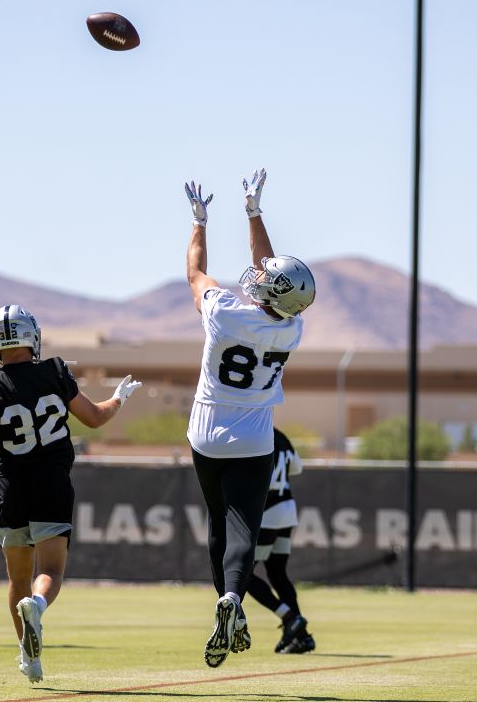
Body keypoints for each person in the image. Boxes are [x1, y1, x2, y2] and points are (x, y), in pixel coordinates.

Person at [0, 304, 142, 683]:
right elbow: (93, 417)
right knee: (51, 571)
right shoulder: (55, 371)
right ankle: (38, 608)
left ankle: (29, 657)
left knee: (17, 578)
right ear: (32, 337)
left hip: (10, 488)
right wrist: (119, 399)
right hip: (51, 483)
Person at [183, 168, 316, 668]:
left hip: (206, 432)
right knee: (243, 530)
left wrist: (200, 223)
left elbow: (197, 274)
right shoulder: (292, 329)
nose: (258, 275)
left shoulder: (223, 312)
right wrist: (255, 213)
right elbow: (270, 270)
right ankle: (233, 599)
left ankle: (225, 598)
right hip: (255, 439)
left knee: (217, 525)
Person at [246, 428, 315, 654]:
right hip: (287, 510)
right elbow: (297, 467)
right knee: (277, 574)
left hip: (268, 513)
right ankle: (302, 637)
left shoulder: (253, 432)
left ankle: (289, 616)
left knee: (244, 576)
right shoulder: (281, 435)